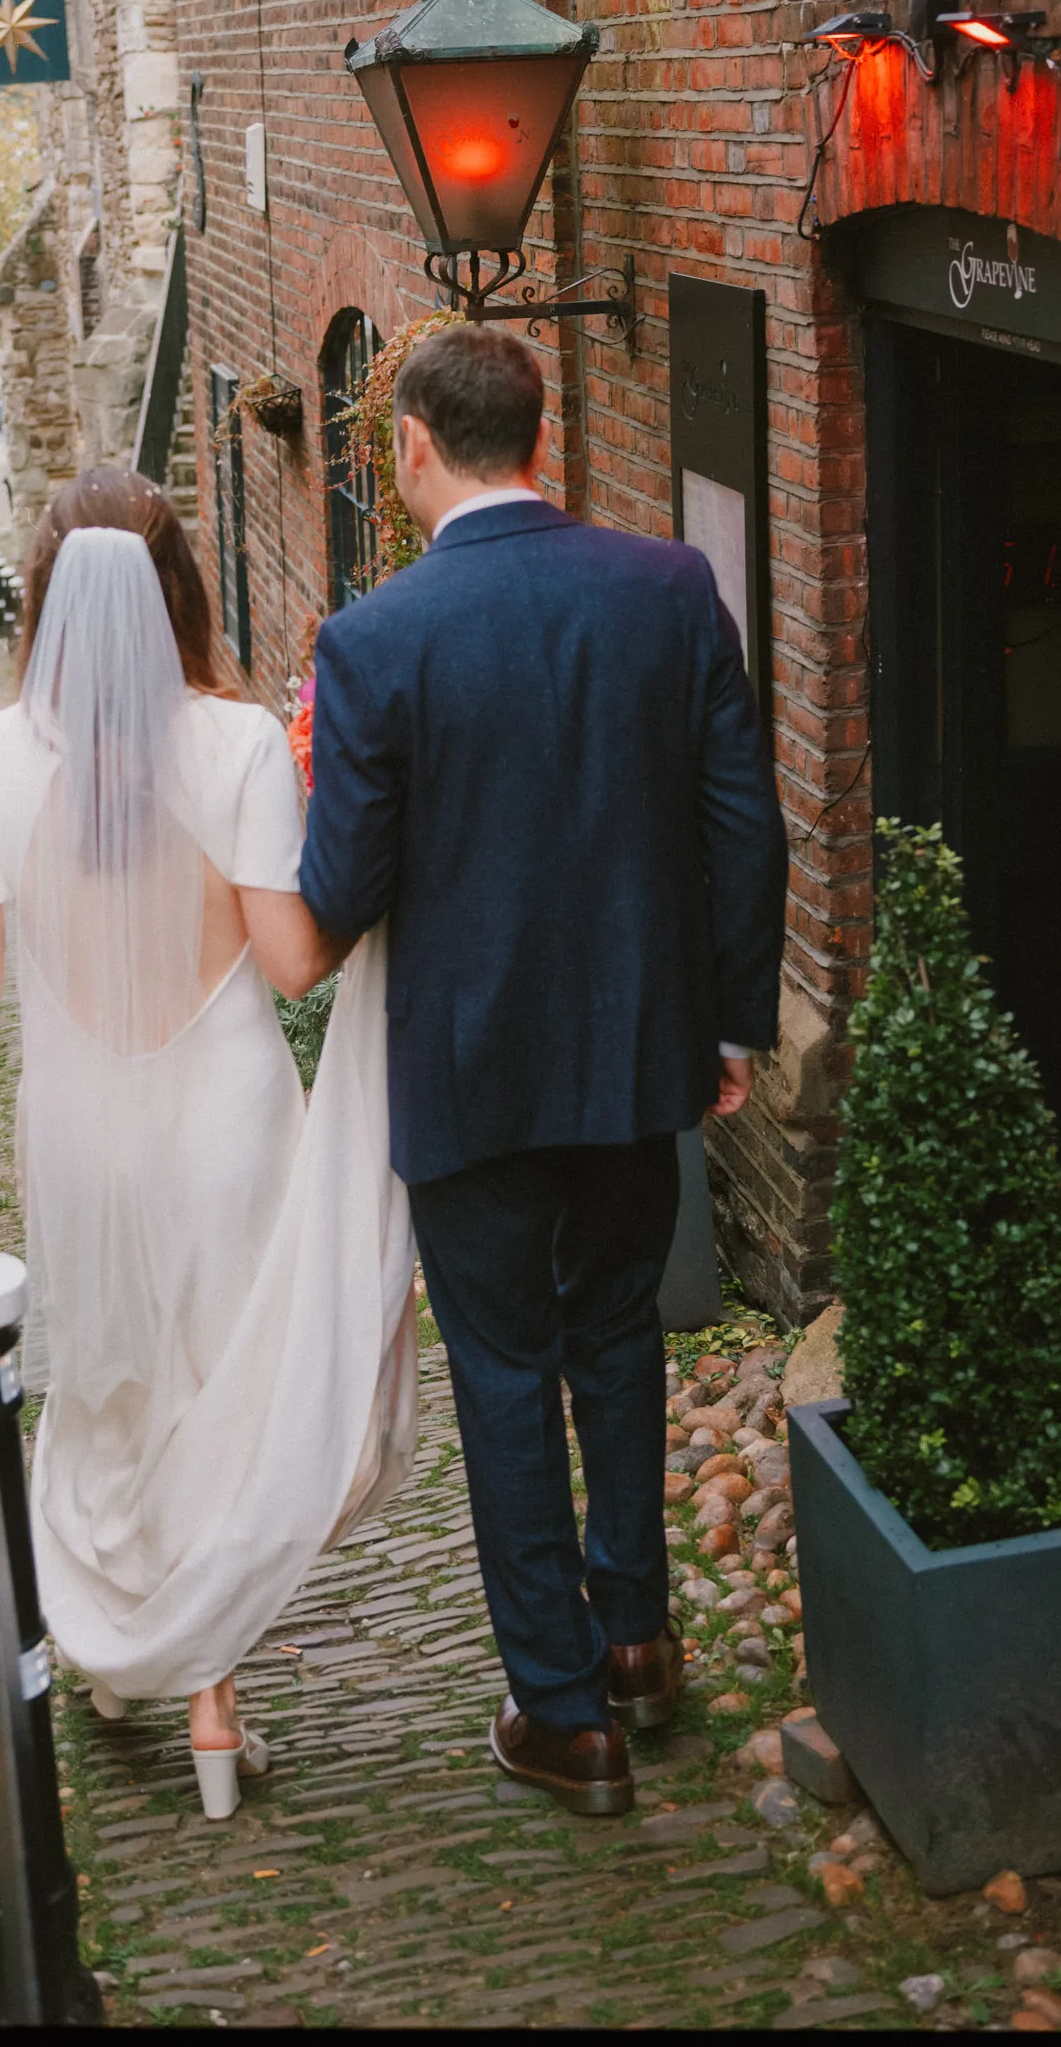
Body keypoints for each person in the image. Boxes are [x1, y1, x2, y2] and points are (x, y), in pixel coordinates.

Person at [301, 323, 789, 1816]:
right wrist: (730, 1028)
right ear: (543, 433)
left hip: (469, 1077)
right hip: (639, 1055)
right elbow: (742, 826)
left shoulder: (376, 640)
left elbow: (344, 892)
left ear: (417, 447)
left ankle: (566, 1712)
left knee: (505, 1373)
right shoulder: (667, 589)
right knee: (620, 1336)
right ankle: (637, 1637)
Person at [0, 468, 418, 1822]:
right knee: (223, 1383)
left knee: (118, 1384)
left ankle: (131, 1657)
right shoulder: (241, 743)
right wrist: (379, 879)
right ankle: (210, 1698)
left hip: (83, 1128)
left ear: (41, 600)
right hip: (226, 1113)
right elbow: (298, 966)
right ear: (183, 595)